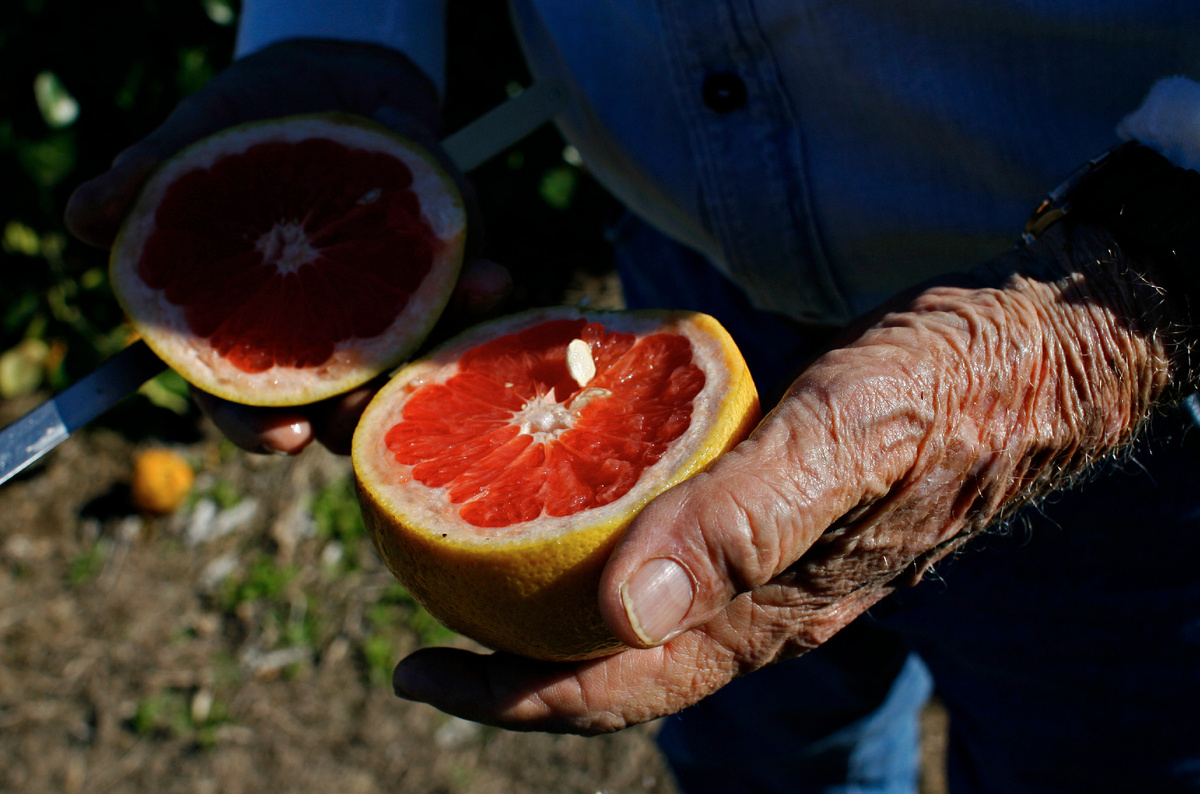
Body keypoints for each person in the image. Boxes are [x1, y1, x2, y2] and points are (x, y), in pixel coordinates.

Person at [65, 2, 1200, 791]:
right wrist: (347, 28)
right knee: (763, 758)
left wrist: (1127, 296)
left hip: (1122, 315)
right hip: (678, 278)